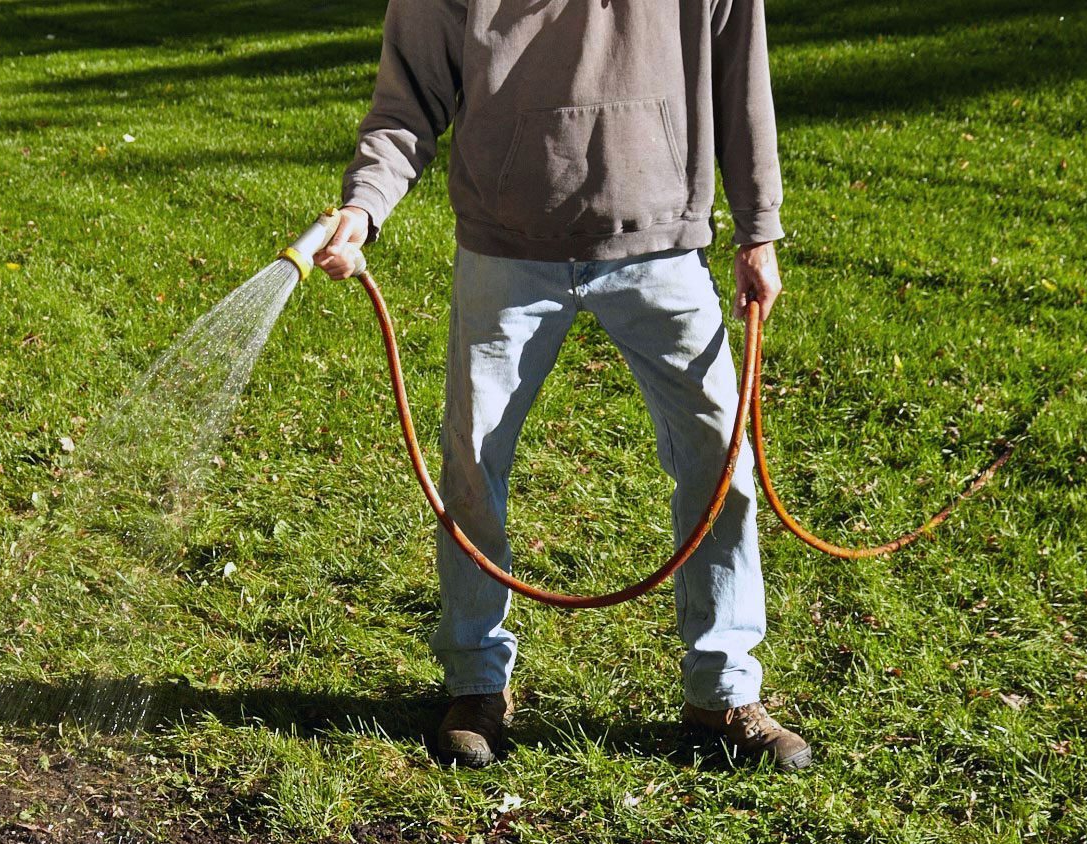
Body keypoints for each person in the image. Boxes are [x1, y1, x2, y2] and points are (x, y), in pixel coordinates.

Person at [315, 0, 811, 772]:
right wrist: (364, 204)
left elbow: (741, 74)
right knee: (471, 463)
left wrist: (760, 227)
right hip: (506, 253)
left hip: (661, 248)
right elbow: (405, 99)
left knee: (722, 462)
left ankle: (722, 694)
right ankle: (477, 685)